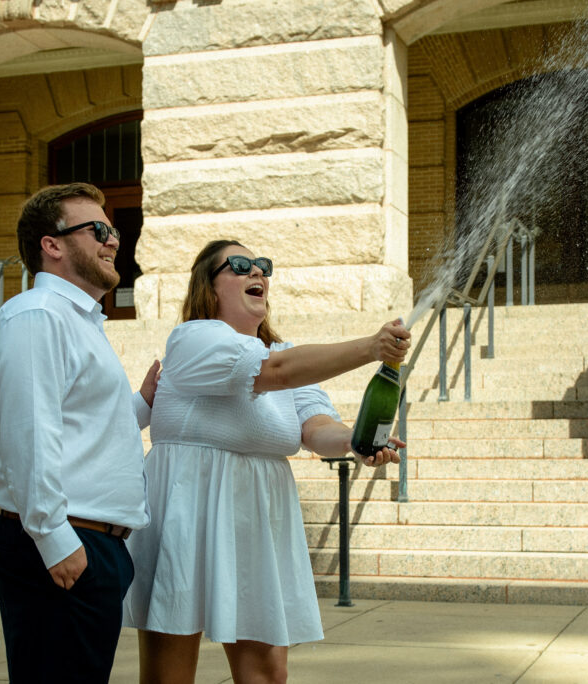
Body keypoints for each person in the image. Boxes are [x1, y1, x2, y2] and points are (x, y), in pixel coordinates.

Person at [123, 239, 410, 684]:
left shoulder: (287, 353)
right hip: (187, 507)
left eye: (263, 266)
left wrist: (357, 444)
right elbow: (273, 374)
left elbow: (314, 429)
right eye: (239, 265)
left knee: (267, 673)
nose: (257, 272)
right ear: (209, 286)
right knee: (169, 675)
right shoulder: (193, 338)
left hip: (256, 514)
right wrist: (371, 347)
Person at [0, 182, 160, 683]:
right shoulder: (38, 316)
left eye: (114, 231)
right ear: (52, 244)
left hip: (94, 546)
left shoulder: (77, 320)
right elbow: (27, 435)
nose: (113, 241)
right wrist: (54, 537)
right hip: (63, 544)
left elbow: (80, 428)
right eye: (98, 229)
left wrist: (142, 405)